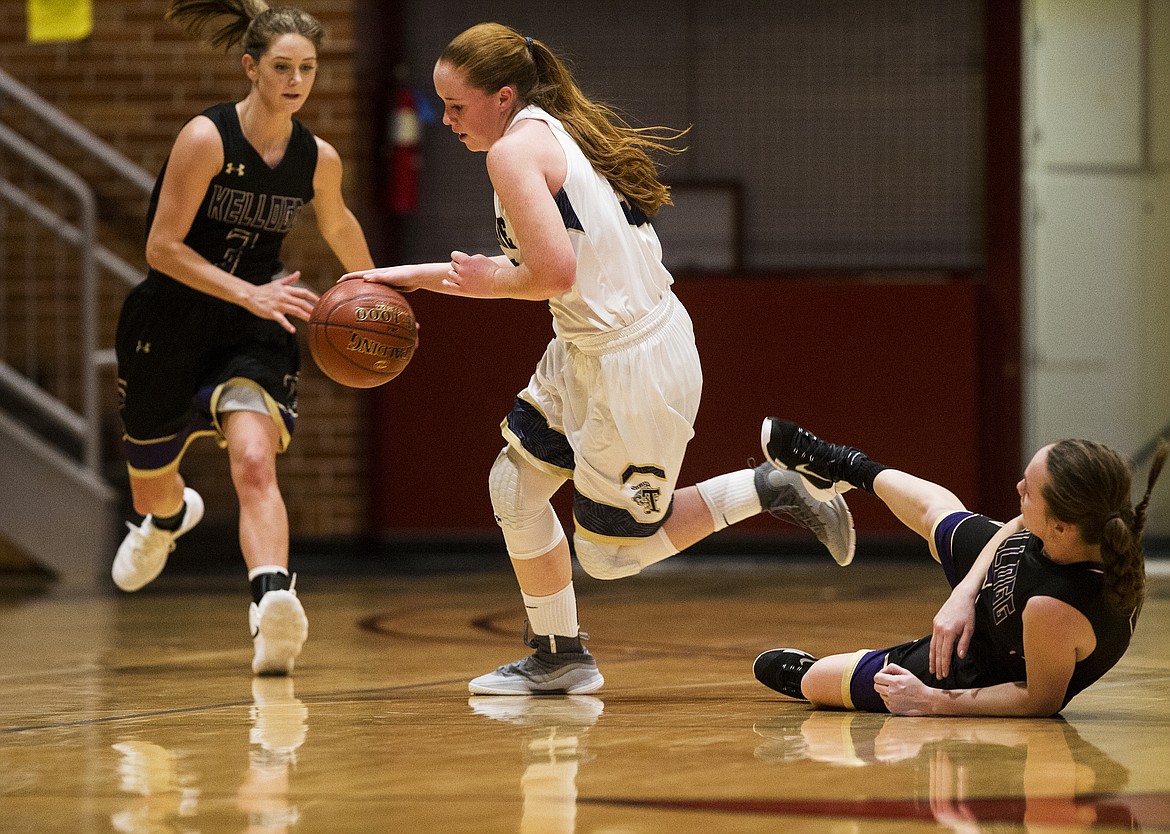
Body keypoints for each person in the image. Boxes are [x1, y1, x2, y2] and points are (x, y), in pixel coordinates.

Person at [342, 22, 856, 696]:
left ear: (501, 96)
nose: (444, 120)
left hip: (632, 366)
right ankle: (559, 655)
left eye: (456, 106)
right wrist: (400, 275)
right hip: (587, 349)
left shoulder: (514, 154)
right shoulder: (546, 130)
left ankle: (774, 486)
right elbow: (540, 266)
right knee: (515, 487)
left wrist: (480, 281)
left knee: (610, 554)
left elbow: (546, 274)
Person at [112, 0, 375, 675]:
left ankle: (272, 603)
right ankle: (167, 521)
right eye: (282, 67)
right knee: (152, 486)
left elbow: (340, 226)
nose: (296, 81)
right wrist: (246, 290)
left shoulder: (316, 157)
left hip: (255, 327)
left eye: (308, 69)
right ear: (251, 67)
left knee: (256, 460)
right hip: (169, 318)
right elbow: (162, 248)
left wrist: (379, 291)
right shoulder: (205, 139)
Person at [754, 417, 1167, 716]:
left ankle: (807, 671)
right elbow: (1022, 523)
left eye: (1029, 489)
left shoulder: (1055, 608)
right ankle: (840, 465)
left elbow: (1040, 702)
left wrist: (929, 702)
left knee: (822, 682)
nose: (1018, 488)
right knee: (939, 514)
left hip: (989, 661)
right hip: (1008, 572)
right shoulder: (1086, 527)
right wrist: (964, 593)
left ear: (1061, 525)